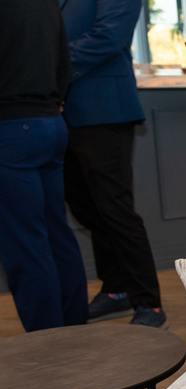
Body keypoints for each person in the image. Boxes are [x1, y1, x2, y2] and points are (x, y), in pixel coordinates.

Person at [61, 0, 165, 327]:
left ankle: (149, 303)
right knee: (85, 206)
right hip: (61, 112)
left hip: (104, 109)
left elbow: (109, 36)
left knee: (114, 208)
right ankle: (116, 289)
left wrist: (49, 62)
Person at [0, 0, 88, 332]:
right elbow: (64, 62)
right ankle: (73, 329)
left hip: (11, 127)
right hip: (51, 123)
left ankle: (46, 341)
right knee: (56, 232)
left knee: (26, 244)